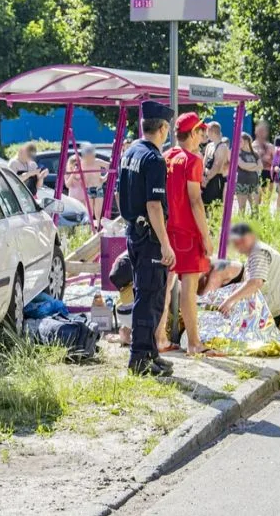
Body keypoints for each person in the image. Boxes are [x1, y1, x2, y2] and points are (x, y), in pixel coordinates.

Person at [117, 100, 175, 377]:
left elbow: (119, 194)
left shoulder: (131, 152)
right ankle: (140, 358)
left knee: (150, 293)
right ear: (162, 128)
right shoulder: (153, 159)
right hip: (150, 235)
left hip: (134, 231)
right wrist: (164, 243)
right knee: (149, 297)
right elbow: (154, 205)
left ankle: (150, 351)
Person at [158, 112, 214, 356]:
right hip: (188, 234)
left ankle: (159, 338)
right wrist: (206, 236)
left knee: (165, 287)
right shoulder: (193, 160)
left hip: (167, 231)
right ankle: (194, 343)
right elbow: (195, 201)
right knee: (188, 291)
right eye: (200, 130)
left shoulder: (165, 156)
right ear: (191, 134)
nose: (202, 135)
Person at [218, 223, 280, 335]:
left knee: (241, 324)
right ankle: (279, 323)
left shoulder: (258, 252)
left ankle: (279, 323)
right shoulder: (256, 250)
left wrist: (230, 300)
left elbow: (256, 282)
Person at [65, 144, 108, 223]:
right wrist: (74, 172)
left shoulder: (95, 162)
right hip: (81, 194)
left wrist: (103, 178)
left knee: (97, 212)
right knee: (88, 213)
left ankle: (98, 227)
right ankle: (90, 228)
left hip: (94, 190)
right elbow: (69, 183)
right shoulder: (78, 167)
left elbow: (109, 166)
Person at [201, 122, 229, 206]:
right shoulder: (209, 146)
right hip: (206, 178)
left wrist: (206, 180)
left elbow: (217, 167)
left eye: (207, 131)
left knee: (214, 206)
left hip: (216, 181)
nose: (205, 133)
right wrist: (202, 177)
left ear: (212, 132)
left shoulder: (222, 147)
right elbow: (204, 162)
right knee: (205, 205)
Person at [235, 133, 261, 213]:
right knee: (242, 208)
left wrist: (249, 166)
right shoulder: (237, 153)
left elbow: (261, 166)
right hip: (242, 183)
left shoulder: (255, 153)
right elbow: (242, 165)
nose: (238, 143)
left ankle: (254, 224)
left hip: (254, 183)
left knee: (255, 208)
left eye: (240, 141)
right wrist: (254, 166)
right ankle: (240, 225)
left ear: (247, 141)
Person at [252, 120, 275, 186]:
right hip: (254, 175)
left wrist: (268, 160)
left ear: (266, 132)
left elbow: (277, 163)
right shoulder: (252, 147)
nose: (261, 133)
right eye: (260, 130)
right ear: (255, 131)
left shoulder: (271, 147)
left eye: (263, 130)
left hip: (268, 177)